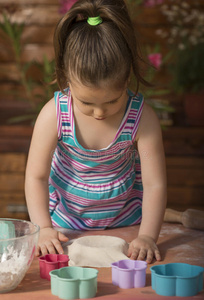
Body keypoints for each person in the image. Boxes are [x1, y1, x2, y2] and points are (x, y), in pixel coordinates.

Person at [25, 0, 167, 264]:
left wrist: (147, 235)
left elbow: (154, 183)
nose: (100, 113)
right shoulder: (53, 114)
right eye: (87, 103)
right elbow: (36, 176)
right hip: (66, 226)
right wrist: (44, 228)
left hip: (127, 224)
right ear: (67, 77)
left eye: (113, 101)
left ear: (127, 79)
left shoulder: (142, 118)